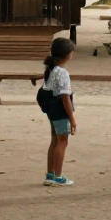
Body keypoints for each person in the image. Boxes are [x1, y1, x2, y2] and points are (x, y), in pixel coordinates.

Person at [39, 37, 77, 186]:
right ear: (68, 55)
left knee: (54, 141)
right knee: (62, 142)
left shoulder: (51, 69)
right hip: (61, 111)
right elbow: (65, 97)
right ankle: (58, 176)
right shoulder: (63, 72)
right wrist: (72, 119)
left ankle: (50, 173)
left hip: (51, 110)